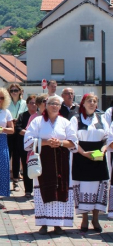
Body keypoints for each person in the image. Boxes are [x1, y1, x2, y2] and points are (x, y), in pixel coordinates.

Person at [24, 95, 78, 235]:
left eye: (57, 104)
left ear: (60, 107)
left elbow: (73, 142)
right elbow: (28, 141)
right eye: (51, 103)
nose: (54, 106)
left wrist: (59, 143)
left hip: (62, 161)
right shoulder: (37, 121)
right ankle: (43, 223)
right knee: (43, 190)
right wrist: (47, 142)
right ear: (46, 105)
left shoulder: (65, 122)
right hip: (44, 160)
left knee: (61, 189)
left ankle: (58, 224)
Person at [70, 94, 109, 232]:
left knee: (99, 187)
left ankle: (96, 219)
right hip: (82, 156)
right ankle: (85, 219)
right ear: (83, 103)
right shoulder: (76, 119)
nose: (92, 103)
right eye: (89, 101)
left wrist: (103, 151)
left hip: (98, 157)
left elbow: (108, 138)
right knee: (82, 188)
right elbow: (72, 139)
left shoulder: (101, 119)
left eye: (94, 101)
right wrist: (83, 153)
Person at [14, 94, 38, 198]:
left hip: (37, 145)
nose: (33, 105)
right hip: (25, 146)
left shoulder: (40, 116)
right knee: (26, 167)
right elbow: (18, 128)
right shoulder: (22, 115)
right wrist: (29, 133)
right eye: (31, 103)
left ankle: (38, 189)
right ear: (27, 104)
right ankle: (28, 190)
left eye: (35, 103)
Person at [7, 83, 27, 191]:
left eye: (16, 90)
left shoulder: (24, 103)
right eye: (12, 91)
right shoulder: (7, 103)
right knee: (7, 155)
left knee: (17, 156)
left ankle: (15, 180)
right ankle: (5, 180)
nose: (14, 92)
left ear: (20, 91)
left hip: (19, 130)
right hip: (9, 131)